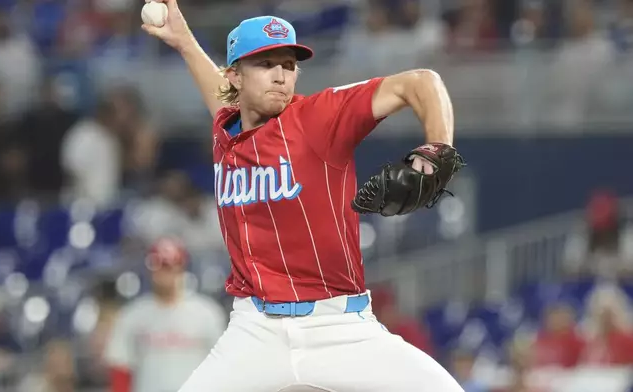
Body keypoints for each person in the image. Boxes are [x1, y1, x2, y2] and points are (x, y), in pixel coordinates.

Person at [141, 1, 462, 391]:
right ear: (235, 76)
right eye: (265, 63)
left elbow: (422, 81)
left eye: (289, 65)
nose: (280, 75)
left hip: (339, 327)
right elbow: (222, 98)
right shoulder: (226, 125)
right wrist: (185, 42)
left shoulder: (318, 117)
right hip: (253, 332)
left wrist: (437, 150)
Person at [103, 237, 227, 392]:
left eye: (169, 266)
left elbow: (222, 366)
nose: (163, 273)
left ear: (181, 268)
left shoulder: (207, 312)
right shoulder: (132, 314)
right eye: (158, 266)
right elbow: (121, 366)